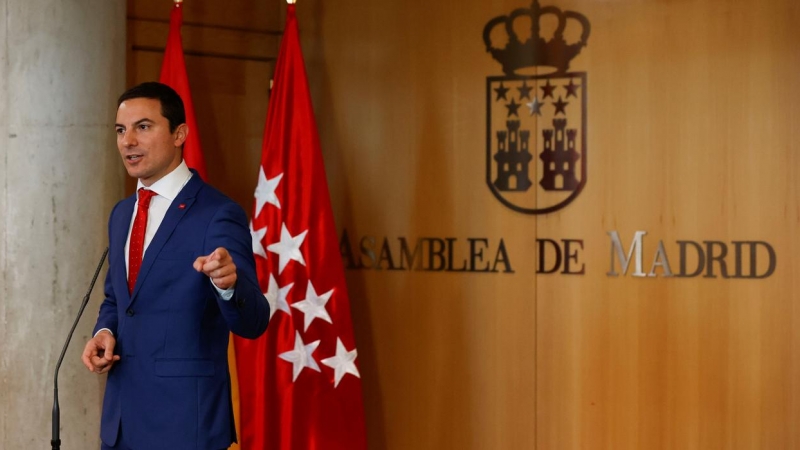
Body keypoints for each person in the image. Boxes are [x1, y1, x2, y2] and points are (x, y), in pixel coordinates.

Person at [81, 81, 269, 450]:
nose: (128, 141)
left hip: (185, 427)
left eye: (143, 127)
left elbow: (254, 321)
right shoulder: (122, 214)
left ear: (179, 133)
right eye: (121, 130)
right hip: (120, 426)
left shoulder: (217, 214)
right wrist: (105, 331)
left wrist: (229, 286)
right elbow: (117, 301)